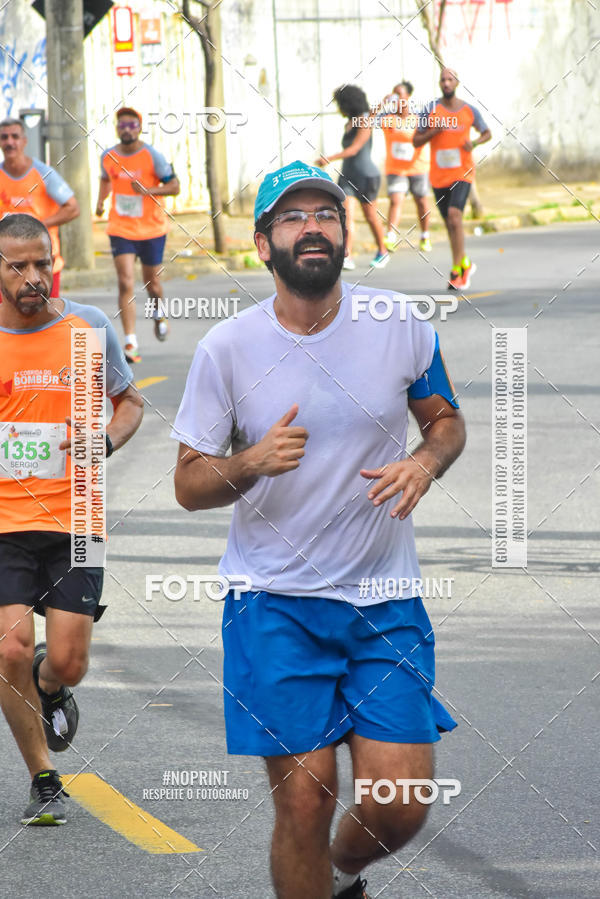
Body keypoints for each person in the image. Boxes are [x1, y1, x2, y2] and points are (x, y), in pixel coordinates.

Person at [172, 161, 465, 899]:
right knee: (304, 800)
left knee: (400, 805)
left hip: (383, 600)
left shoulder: (399, 326)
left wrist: (426, 462)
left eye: (326, 215)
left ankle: (337, 875)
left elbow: (446, 421)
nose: (313, 228)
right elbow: (188, 481)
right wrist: (251, 460)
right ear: (264, 242)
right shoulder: (227, 350)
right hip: (273, 601)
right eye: (293, 217)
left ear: (343, 233)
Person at [0, 213, 143, 825]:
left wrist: (106, 442)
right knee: (9, 650)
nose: (34, 277)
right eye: (18, 266)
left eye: (42, 263)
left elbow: (130, 402)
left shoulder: (89, 326)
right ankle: (44, 779)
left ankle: (52, 685)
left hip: (76, 517)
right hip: (5, 521)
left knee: (67, 661)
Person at [95, 106, 180, 364]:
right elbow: (106, 179)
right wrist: (100, 202)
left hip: (152, 229)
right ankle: (131, 341)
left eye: (132, 124)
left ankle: (159, 313)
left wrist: (148, 189)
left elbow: (174, 186)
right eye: (122, 125)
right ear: (116, 128)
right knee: (125, 282)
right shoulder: (108, 156)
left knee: (152, 284)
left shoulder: (152, 155)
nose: (127, 129)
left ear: (140, 127)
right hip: (121, 229)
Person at [413, 67, 491, 290]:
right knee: (450, 223)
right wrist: (433, 132)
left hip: (463, 173)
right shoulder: (430, 110)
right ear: (439, 84)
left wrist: (475, 143)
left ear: (457, 83)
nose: (446, 83)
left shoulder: (469, 110)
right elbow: (416, 141)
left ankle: (457, 271)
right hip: (439, 177)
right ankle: (464, 262)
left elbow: (487, 132)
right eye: (442, 80)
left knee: (455, 217)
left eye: (450, 79)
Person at [0, 117, 79, 298]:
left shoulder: (43, 173)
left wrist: (38, 225)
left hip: (41, 260)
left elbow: (72, 208)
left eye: (15, 136)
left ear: (24, 141)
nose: (10, 142)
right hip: (6, 262)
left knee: (45, 319)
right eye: (4, 137)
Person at [315, 85, 388, 270]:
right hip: (347, 176)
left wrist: (329, 158)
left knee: (371, 216)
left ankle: (382, 251)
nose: (338, 108)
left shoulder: (364, 121)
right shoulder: (349, 122)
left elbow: (354, 149)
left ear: (348, 103)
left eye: (339, 104)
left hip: (366, 175)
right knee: (346, 216)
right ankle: (347, 254)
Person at [377, 81, 432, 253]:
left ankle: (425, 235)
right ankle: (390, 236)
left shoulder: (419, 118)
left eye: (399, 94)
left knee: (421, 201)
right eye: (394, 94)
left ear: (408, 97)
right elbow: (367, 120)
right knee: (396, 200)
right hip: (396, 169)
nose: (396, 98)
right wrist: (382, 104)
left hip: (418, 167)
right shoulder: (387, 118)